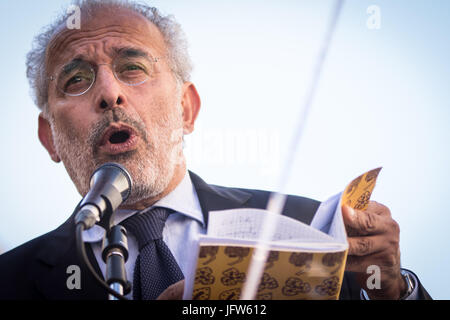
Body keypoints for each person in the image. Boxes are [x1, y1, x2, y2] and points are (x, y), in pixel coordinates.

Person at [0, 0, 431, 300]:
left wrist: (393, 291)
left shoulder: (311, 233)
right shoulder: (9, 282)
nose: (110, 93)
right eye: (76, 80)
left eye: (133, 68)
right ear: (50, 137)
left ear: (186, 109)